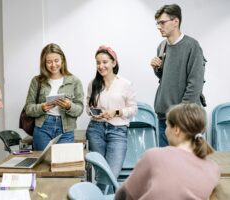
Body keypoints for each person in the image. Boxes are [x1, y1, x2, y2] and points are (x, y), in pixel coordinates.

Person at [115, 103, 220, 200]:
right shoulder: (213, 168)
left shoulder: (154, 156)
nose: (165, 131)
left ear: (176, 130)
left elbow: (124, 195)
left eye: (167, 125)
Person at [150, 4, 206, 147]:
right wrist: (157, 68)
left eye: (162, 22)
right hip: (164, 117)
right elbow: (166, 78)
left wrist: (179, 115)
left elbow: (195, 84)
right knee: (166, 165)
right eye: (158, 23)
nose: (159, 26)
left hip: (185, 119)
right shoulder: (162, 46)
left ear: (176, 22)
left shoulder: (192, 46)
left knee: (188, 165)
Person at [86, 45, 137, 192]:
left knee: (111, 174)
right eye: (98, 62)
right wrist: (95, 113)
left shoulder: (125, 84)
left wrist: (116, 112)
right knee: (102, 173)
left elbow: (133, 109)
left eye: (105, 62)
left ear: (113, 62)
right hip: (95, 130)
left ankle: (96, 195)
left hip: (118, 131)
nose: (101, 66)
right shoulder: (93, 84)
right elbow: (87, 108)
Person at [25, 43, 84, 150]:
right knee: (42, 165)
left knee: (63, 164)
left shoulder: (74, 81)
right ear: (44, 63)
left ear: (62, 60)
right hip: (42, 128)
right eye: (49, 62)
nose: (53, 65)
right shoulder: (37, 81)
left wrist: (69, 106)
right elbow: (28, 108)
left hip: (66, 129)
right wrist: (41, 108)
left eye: (56, 61)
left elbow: (80, 109)